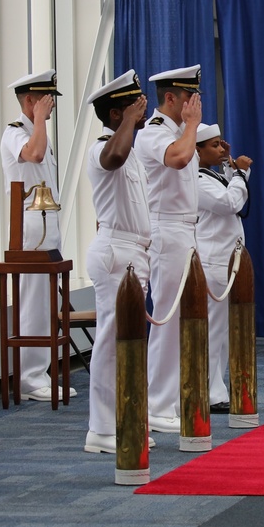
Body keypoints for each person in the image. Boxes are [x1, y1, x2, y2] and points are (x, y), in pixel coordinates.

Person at [83, 70, 156, 454]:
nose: (143, 109)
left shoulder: (130, 151)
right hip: (115, 252)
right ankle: (100, 428)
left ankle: (127, 419)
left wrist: (130, 123)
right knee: (111, 342)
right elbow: (113, 157)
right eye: (134, 105)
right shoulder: (102, 148)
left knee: (130, 342)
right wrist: (128, 121)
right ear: (116, 114)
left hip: (135, 252)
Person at [134, 64, 203, 433]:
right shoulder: (154, 133)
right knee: (167, 317)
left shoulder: (179, 132)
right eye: (189, 97)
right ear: (171, 98)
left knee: (185, 318)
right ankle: (158, 405)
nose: (196, 103)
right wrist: (192, 126)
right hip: (166, 230)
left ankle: (173, 397)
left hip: (187, 230)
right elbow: (176, 159)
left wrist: (188, 127)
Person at [0, 69, 76, 401]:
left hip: (48, 225)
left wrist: (40, 121)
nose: (51, 107)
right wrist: (40, 120)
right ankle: (30, 378)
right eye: (46, 101)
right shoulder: (15, 133)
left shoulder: (35, 131)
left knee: (47, 303)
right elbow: (34, 155)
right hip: (30, 229)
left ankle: (42, 371)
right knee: (32, 301)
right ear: (30, 101)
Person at [195, 123, 252, 413]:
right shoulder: (196, 179)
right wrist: (240, 172)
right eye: (214, 145)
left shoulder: (211, 175)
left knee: (223, 329)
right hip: (213, 259)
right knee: (213, 329)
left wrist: (232, 169)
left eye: (221, 144)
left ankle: (216, 385)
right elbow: (230, 202)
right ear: (197, 150)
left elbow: (232, 194)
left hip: (225, 259)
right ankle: (210, 389)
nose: (221, 149)